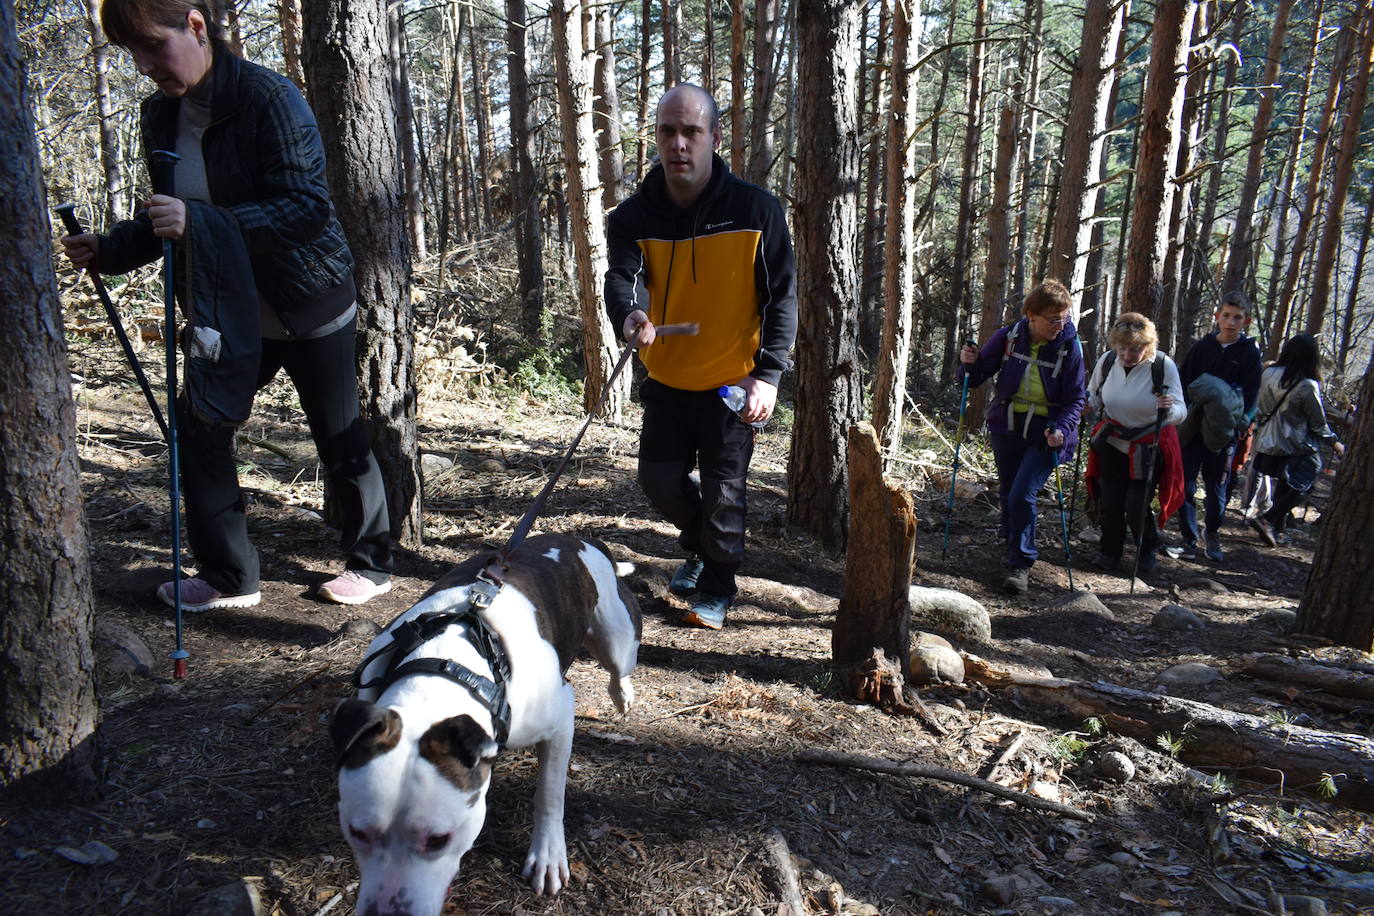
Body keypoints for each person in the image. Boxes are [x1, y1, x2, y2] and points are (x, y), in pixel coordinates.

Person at [61, 0, 392, 610]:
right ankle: (229, 576)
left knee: (337, 433)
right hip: (225, 310)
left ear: (194, 25)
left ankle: (371, 563)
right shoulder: (159, 115)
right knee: (201, 428)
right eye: (132, 53)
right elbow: (170, 217)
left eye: (152, 46)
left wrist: (204, 223)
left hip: (308, 299)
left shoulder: (269, 99)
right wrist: (108, 249)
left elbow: (306, 208)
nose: (143, 65)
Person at [603, 83, 797, 630]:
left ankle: (716, 586)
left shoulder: (757, 210)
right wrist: (630, 316)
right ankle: (702, 547)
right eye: (668, 131)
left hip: (733, 385)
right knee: (659, 482)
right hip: (666, 378)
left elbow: (782, 296)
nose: (679, 144)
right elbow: (624, 279)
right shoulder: (633, 217)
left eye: (691, 131)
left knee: (723, 492)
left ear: (714, 136)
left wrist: (769, 375)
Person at [958, 279, 1087, 595]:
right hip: (1008, 425)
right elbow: (974, 379)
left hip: (1047, 432)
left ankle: (1020, 565)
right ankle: (1010, 538)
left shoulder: (1070, 347)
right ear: (1031, 315)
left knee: (1022, 494)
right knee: (1008, 490)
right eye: (1053, 318)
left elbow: (1076, 398)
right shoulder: (1010, 337)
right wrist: (966, 363)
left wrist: (1062, 429)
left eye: (1064, 317)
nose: (1060, 324)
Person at [1084, 313, 1187, 577]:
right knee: (1110, 501)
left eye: (1135, 349)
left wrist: (1169, 409)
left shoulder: (1162, 366)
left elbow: (1180, 410)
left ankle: (1147, 550)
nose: (1128, 355)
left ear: (1148, 346)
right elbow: (1094, 395)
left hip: (1147, 445)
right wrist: (1085, 406)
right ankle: (1110, 551)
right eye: (1123, 348)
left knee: (1137, 504)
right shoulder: (1107, 362)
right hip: (1112, 441)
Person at [1173, 291, 1262, 561]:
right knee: (1185, 484)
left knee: (1216, 486)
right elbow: (1184, 382)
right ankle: (1189, 538)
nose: (1231, 322)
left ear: (1245, 321)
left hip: (1224, 432)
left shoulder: (1249, 354)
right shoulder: (1203, 347)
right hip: (1192, 427)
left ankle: (1211, 533)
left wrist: (1242, 424)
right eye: (1226, 316)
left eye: (1237, 318)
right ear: (1217, 317)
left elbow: (1252, 394)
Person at [1248, 334, 1344, 546]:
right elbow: (1318, 424)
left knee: (1287, 482)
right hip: (1296, 445)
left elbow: (1260, 407)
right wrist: (1335, 442)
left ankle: (1277, 529)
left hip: (1267, 441)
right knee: (1305, 483)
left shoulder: (1269, 373)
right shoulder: (1307, 385)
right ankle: (1267, 519)